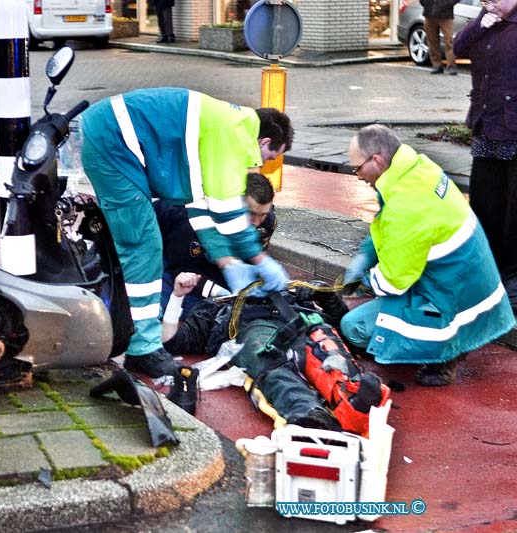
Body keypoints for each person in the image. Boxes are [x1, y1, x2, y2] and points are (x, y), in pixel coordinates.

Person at [80, 88, 293, 379]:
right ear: (265, 141)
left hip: (111, 134)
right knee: (143, 246)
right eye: (270, 156)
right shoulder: (233, 135)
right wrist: (259, 260)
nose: (265, 164)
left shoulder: (228, 126)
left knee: (145, 247)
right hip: (114, 143)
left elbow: (201, 208)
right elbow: (226, 211)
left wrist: (227, 263)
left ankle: (142, 342)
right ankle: (143, 349)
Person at [340, 125, 515, 386]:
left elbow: (393, 281)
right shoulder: (418, 169)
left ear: (376, 160)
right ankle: (454, 338)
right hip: (472, 284)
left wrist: (366, 280)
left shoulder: (405, 207)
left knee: (353, 327)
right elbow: (391, 231)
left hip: (450, 296)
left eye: (357, 169)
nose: (357, 176)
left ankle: (445, 352)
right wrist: (367, 254)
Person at [161, 272, 384, 433]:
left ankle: (352, 397)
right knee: (268, 359)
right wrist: (178, 295)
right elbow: (172, 341)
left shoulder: (288, 292)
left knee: (326, 345)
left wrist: (325, 297)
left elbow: (341, 325)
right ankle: (308, 412)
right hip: (255, 334)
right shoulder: (216, 309)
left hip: (300, 322)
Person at [453, 0, 517, 315]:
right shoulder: (486, 18)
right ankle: (487, 276)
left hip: (515, 128)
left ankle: (513, 282)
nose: (487, 3)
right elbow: (458, 47)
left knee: (513, 213)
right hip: (486, 124)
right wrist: (481, 23)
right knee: (484, 205)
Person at [154, 172, 278, 318]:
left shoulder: (267, 223)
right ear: (234, 206)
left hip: (212, 264)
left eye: (262, 214)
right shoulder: (188, 219)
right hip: (169, 256)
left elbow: (247, 263)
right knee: (195, 313)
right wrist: (218, 293)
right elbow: (181, 268)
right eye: (251, 213)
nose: (257, 222)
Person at [420, 0, 460, 74]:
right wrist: (425, 3)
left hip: (446, 15)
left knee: (449, 41)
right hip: (429, 13)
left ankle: (451, 65)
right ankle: (436, 65)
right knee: (432, 41)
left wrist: (448, 3)